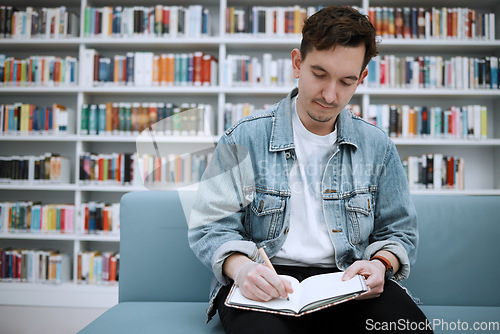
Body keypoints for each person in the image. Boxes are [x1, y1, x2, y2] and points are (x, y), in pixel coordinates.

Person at [188, 5, 433, 334]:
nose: (330, 95)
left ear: (361, 79)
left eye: (346, 81)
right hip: (266, 279)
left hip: (346, 281)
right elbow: (211, 227)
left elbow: (399, 231)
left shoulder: (378, 146)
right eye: (319, 74)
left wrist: (381, 264)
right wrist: (242, 269)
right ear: (297, 63)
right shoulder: (243, 138)